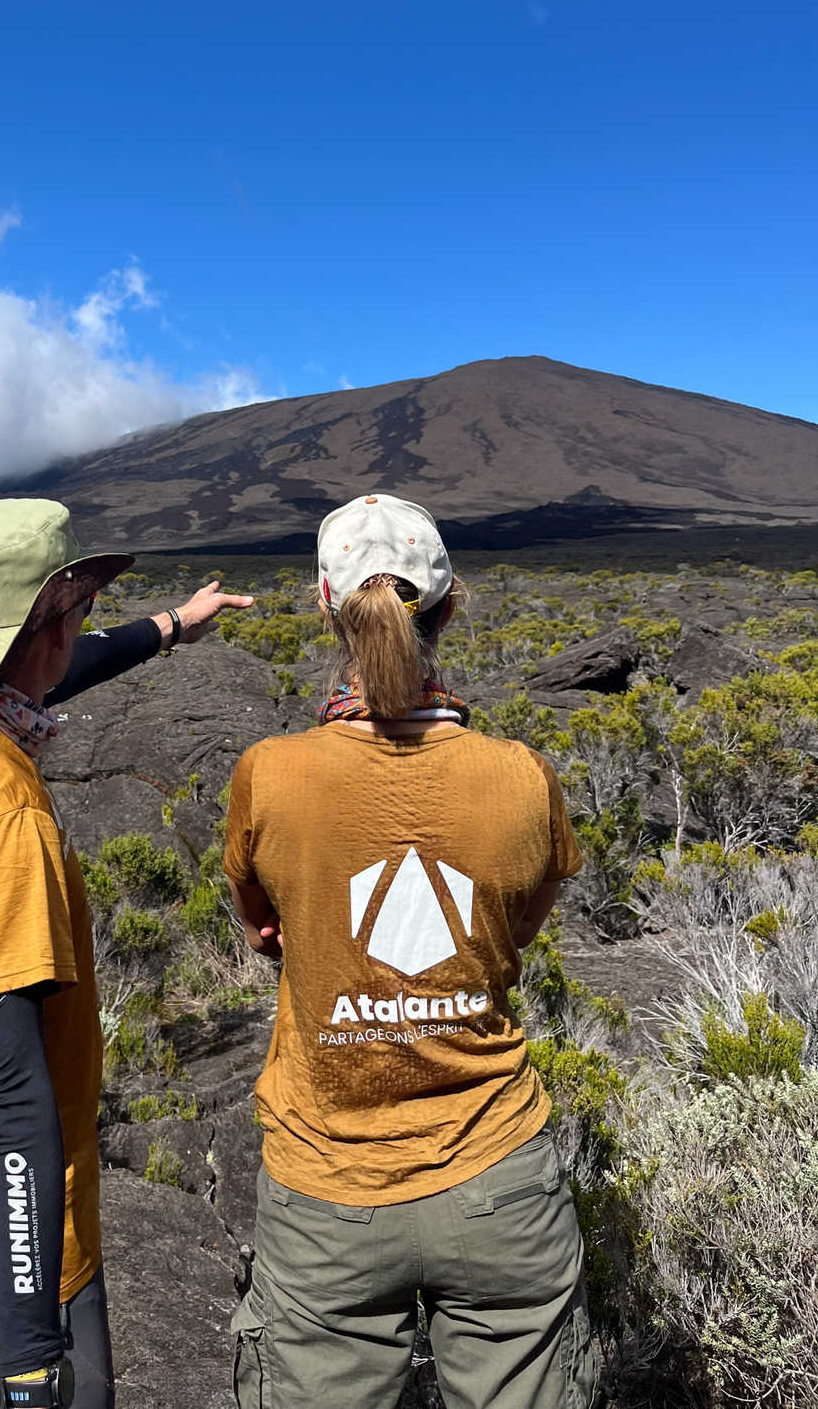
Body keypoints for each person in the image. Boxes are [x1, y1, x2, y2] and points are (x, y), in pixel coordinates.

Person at [0, 498, 252, 1409]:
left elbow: (36, 681)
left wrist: (167, 628)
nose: (80, 630)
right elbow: (8, 1089)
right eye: (74, 612)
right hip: (5, 1217)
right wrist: (35, 1352)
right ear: (45, 633)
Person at [223, 493, 596, 1409]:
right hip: (499, 1176)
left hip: (328, 1186)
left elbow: (264, 927)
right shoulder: (519, 776)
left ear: (324, 603)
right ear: (449, 603)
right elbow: (513, 928)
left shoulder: (271, 775)